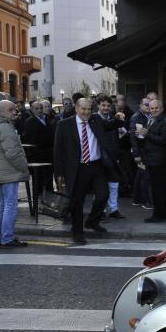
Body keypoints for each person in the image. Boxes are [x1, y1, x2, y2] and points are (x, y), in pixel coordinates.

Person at [53, 98, 114, 244]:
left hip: (96, 166)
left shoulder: (95, 121)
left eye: (89, 109)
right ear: (76, 108)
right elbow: (58, 150)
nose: (87, 112)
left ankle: (92, 221)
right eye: (83, 109)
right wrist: (59, 173)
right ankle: (77, 232)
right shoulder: (64, 125)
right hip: (77, 169)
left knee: (103, 195)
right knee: (77, 202)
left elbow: (111, 126)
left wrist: (119, 119)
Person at [0, 100, 29, 247]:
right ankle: (7, 238)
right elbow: (13, 153)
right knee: (10, 205)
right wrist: (24, 167)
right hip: (9, 172)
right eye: (10, 109)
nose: (14, 112)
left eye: (15, 109)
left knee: (0, 205)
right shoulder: (5, 127)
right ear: (0, 111)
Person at [136, 99, 166, 223]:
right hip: (151, 159)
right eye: (152, 108)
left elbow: (164, 140)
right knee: (161, 187)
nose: (154, 110)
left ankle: (159, 215)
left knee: (158, 189)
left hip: (158, 160)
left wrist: (147, 134)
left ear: (161, 109)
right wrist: (140, 134)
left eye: (156, 108)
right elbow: (147, 138)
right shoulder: (149, 121)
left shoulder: (163, 123)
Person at [94, 94, 127, 219]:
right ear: (98, 105)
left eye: (108, 105)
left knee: (114, 185)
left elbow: (121, 134)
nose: (106, 108)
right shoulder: (94, 118)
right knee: (100, 186)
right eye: (103, 105)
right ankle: (100, 211)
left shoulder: (113, 118)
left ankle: (113, 209)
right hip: (99, 157)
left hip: (113, 156)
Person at [22, 101, 55, 197]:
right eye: (36, 108)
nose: (40, 110)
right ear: (32, 110)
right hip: (37, 156)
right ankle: (38, 200)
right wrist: (33, 155)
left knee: (49, 179)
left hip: (49, 154)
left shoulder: (47, 119)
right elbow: (28, 140)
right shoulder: (29, 122)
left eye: (41, 108)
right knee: (38, 180)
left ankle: (50, 198)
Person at [130, 98, 152, 209]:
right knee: (145, 176)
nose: (148, 106)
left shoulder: (148, 116)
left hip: (146, 150)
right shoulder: (136, 117)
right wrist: (136, 154)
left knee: (140, 175)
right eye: (146, 104)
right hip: (141, 151)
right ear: (140, 105)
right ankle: (145, 201)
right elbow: (133, 137)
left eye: (150, 104)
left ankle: (136, 199)